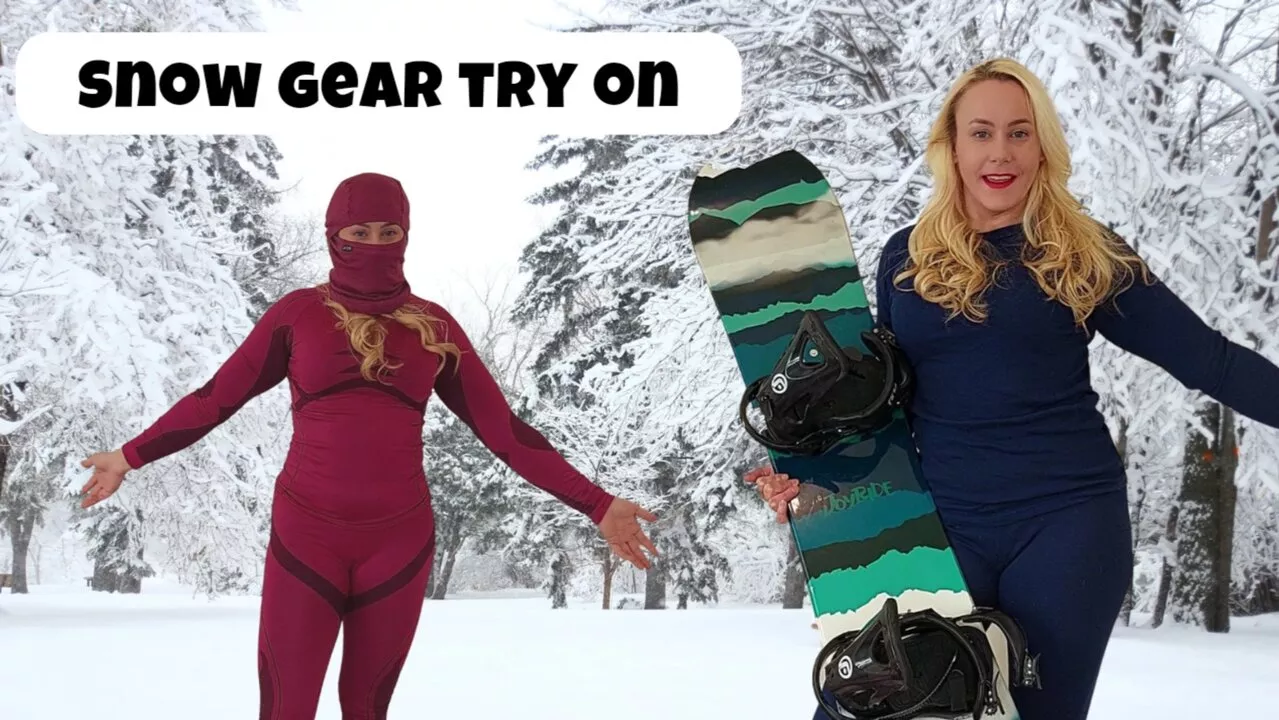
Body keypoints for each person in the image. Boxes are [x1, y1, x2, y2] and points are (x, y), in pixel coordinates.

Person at [744, 57, 1279, 720]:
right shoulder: (906, 258)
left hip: (1067, 528)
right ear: (952, 147)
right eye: (981, 133)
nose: (1000, 152)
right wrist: (812, 478)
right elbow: (883, 403)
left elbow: (1210, 362)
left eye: (1019, 133)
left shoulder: (1086, 254)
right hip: (940, 528)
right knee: (866, 705)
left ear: (1042, 146)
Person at [76, 172, 660, 719]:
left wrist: (597, 503)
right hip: (307, 535)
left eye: (389, 232)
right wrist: (128, 456)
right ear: (334, 236)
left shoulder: (434, 326)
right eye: (359, 232)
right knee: (286, 707)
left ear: (407, 236)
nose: (374, 244)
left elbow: (504, 432)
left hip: (398, 542)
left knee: (366, 709)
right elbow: (215, 400)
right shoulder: (297, 315)